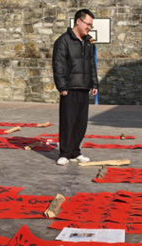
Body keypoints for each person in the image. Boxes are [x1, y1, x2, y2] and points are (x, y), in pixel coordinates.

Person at [52, 9, 98, 166]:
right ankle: (65, 153)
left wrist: (94, 83)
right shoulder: (63, 41)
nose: (89, 28)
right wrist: (62, 86)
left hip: (84, 87)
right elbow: (58, 65)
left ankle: (75, 151)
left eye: (91, 25)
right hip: (69, 88)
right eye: (88, 24)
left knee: (81, 123)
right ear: (78, 21)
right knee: (68, 121)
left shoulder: (87, 42)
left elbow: (91, 65)